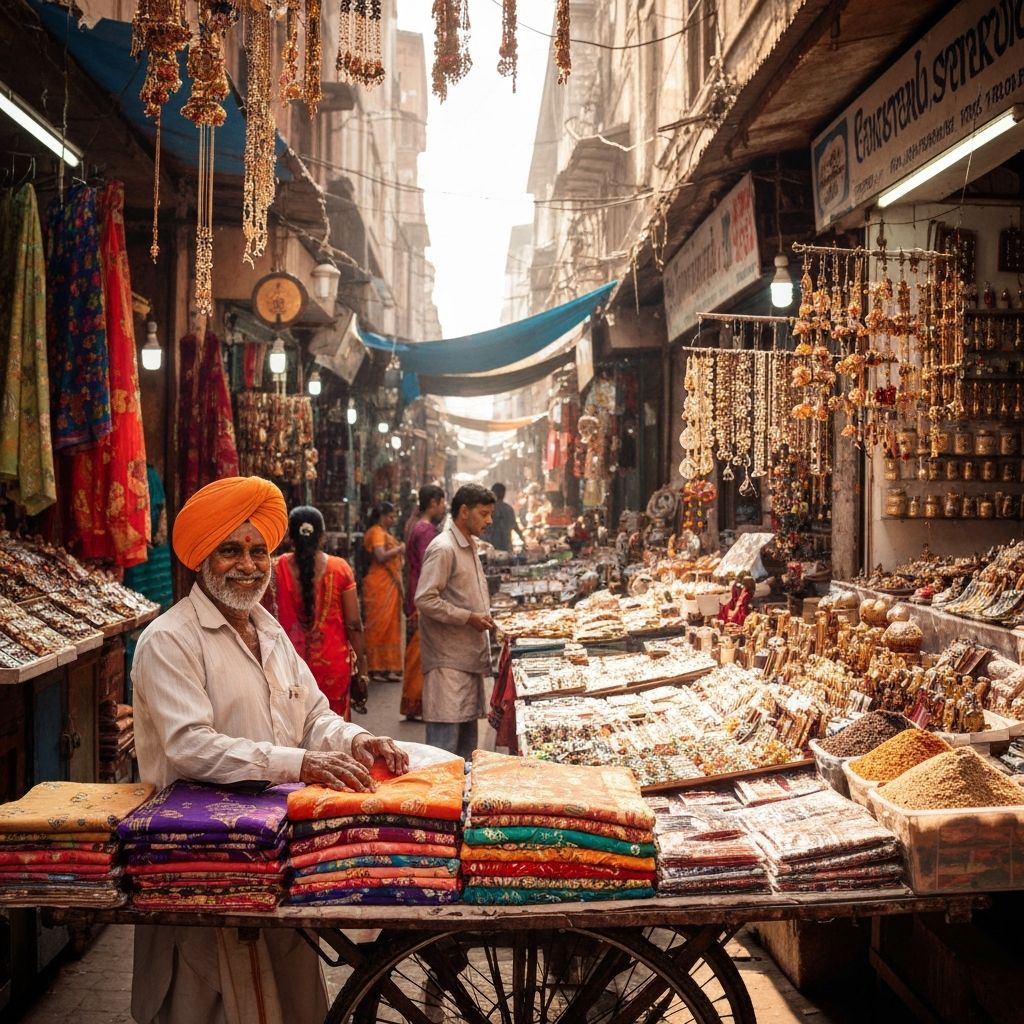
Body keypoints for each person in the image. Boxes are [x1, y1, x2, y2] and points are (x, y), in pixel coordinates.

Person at [130, 475, 408, 1024]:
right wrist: (300, 763)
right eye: (231, 550)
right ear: (200, 558)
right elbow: (190, 746)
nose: (249, 564)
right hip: (200, 861)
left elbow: (311, 715)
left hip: (274, 856)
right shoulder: (169, 640)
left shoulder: (270, 630)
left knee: (289, 995)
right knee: (208, 997)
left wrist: (358, 738)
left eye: (259, 551)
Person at [415, 483, 495, 760]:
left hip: (465, 659)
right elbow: (425, 599)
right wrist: (468, 617)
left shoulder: (467, 545)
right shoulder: (444, 548)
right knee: (443, 755)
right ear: (464, 511)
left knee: (465, 754)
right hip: (448, 663)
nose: (489, 520)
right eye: (483, 514)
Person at [272, 505, 369, 719]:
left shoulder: (274, 568)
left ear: (290, 537)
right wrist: (362, 668)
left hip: (289, 668)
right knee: (334, 731)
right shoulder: (340, 568)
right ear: (323, 537)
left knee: (294, 730)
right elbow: (353, 623)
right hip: (332, 668)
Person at [401, 484, 446, 720]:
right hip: (421, 595)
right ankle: (415, 702)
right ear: (434, 503)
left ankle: (415, 702)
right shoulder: (426, 531)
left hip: (415, 591)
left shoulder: (415, 525)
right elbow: (429, 567)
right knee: (419, 652)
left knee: (416, 651)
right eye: (442, 503)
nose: (444, 507)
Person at [362, 501, 405, 682]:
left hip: (387, 584)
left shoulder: (383, 532)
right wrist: (399, 549)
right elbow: (380, 556)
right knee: (378, 625)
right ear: (382, 516)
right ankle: (375, 667)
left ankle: (387, 667)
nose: (393, 519)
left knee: (390, 626)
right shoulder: (376, 532)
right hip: (379, 584)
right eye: (390, 516)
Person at [483, 482, 524, 552]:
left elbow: (482, 529)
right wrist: (523, 540)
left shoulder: (487, 509)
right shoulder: (508, 509)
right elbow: (515, 526)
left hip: (491, 549)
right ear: (504, 494)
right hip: (506, 548)